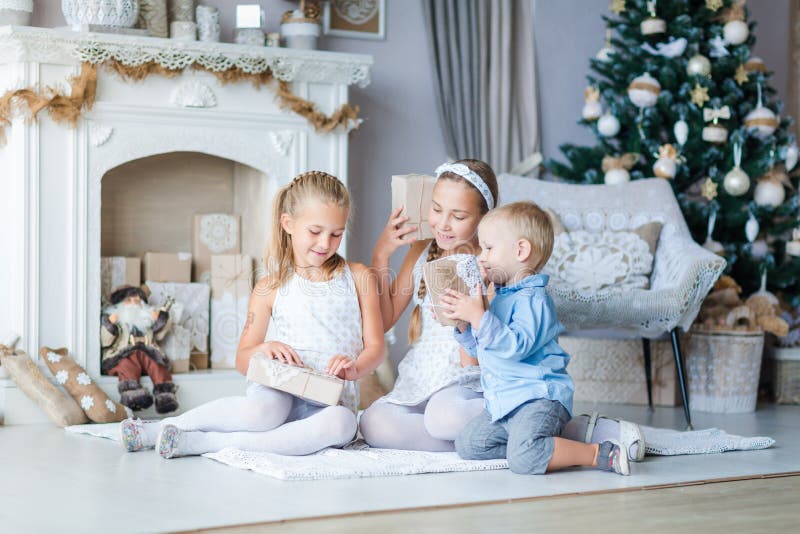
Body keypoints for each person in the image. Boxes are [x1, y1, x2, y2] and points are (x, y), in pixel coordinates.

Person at [119, 171, 384, 458]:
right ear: (288, 223)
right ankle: (162, 429)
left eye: (336, 234)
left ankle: (204, 444)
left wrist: (354, 368)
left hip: (330, 398)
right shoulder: (269, 287)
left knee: (344, 423)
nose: (325, 244)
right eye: (315, 231)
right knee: (263, 413)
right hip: (280, 390)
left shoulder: (358, 277)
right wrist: (263, 348)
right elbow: (243, 359)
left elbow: (376, 348)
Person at [441, 201, 632, 475]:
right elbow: (485, 348)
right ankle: (545, 443)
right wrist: (464, 325)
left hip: (537, 398)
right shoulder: (500, 297)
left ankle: (597, 453)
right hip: (505, 403)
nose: (481, 257)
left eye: (488, 248)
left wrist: (479, 317)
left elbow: (515, 346)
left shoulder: (534, 299)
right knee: (470, 445)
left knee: (524, 460)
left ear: (521, 250)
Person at [360, 159, 498, 451]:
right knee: (373, 422)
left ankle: (477, 433)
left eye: (458, 216)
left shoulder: (489, 263)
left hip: (465, 381)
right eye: (436, 209)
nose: (443, 224)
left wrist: (466, 316)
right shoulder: (423, 250)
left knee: (445, 416)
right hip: (420, 378)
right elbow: (383, 321)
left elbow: (482, 351)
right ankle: (468, 443)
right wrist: (381, 255)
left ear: (484, 218)